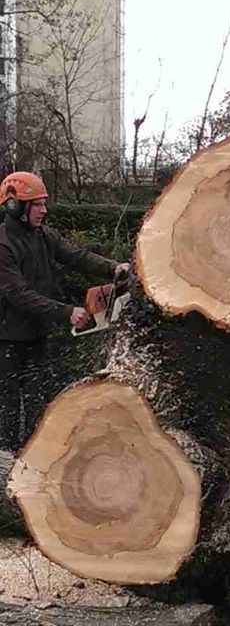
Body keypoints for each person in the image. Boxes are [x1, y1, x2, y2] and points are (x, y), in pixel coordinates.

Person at [0, 171, 130, 450]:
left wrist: (112, 267)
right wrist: (65, 311)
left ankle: (34, 462)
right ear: (14, 206)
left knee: (38, 403)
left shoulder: (43, 235)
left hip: (37, 334)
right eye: (37, 204)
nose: (44, 210)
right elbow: (18, 294)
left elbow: (75, 255)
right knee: (8, 410)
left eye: (44, 203)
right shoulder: (3, 245)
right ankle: (5, 469)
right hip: (6, 339)